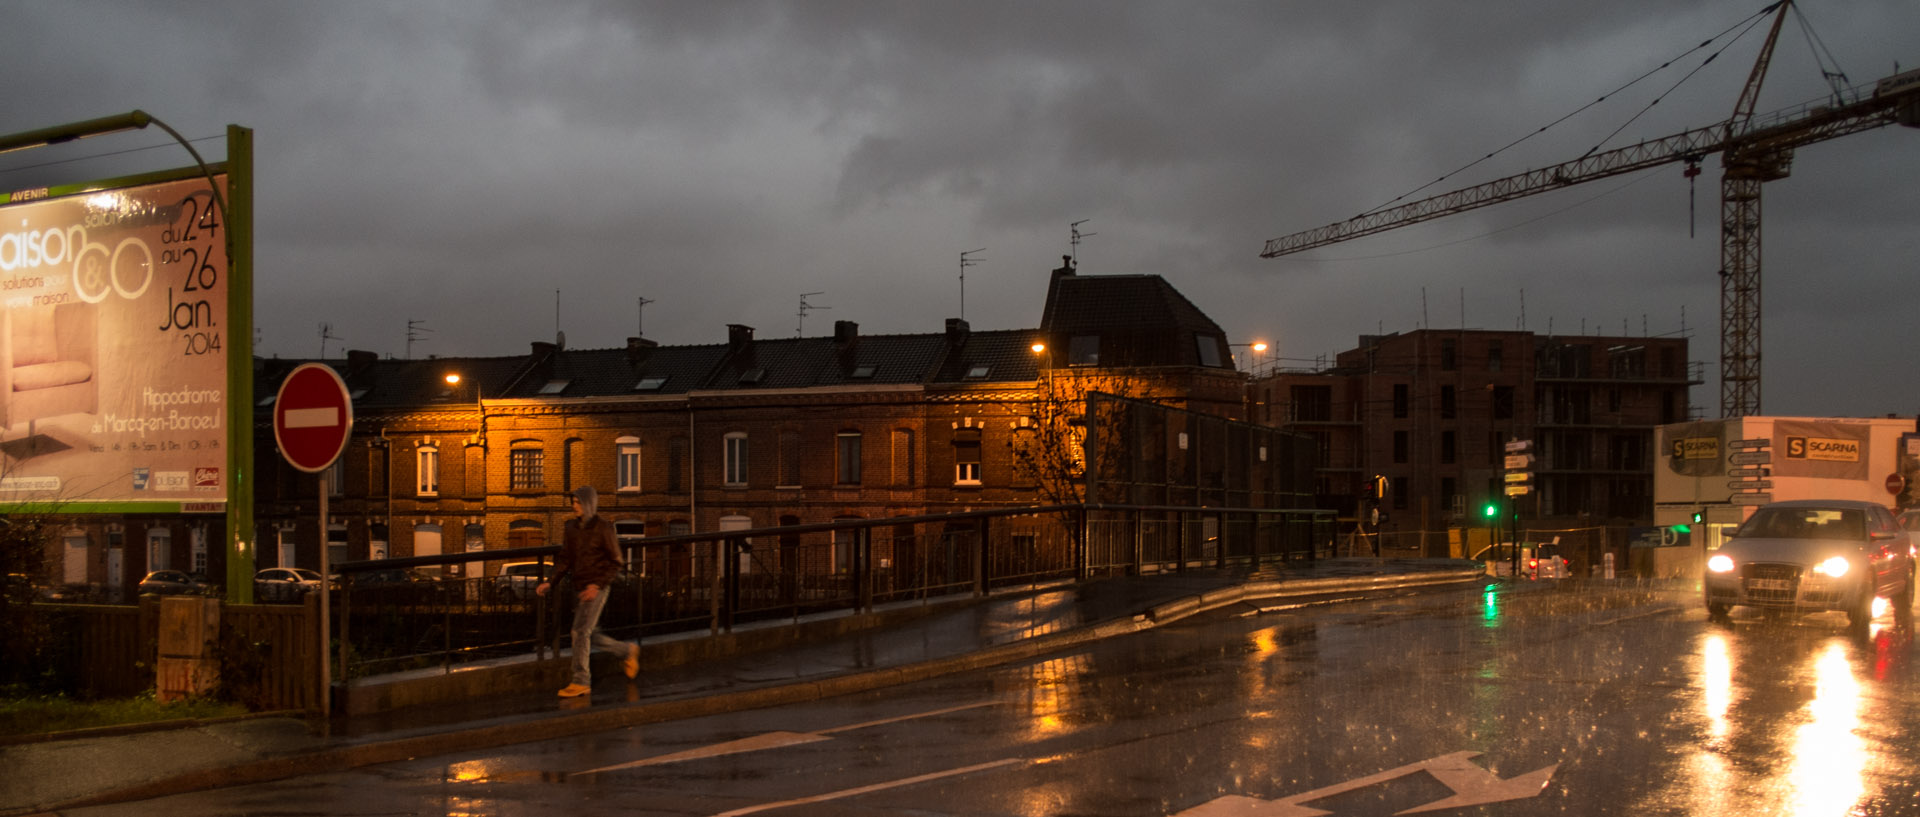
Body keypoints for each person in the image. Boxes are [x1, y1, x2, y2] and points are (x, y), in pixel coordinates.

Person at [537, 485, 639, 697]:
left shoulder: (604, 528)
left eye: (578, 502)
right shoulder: (571, 528)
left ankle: (581, 681)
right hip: (580, 587)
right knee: (591, 634)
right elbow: (565, 559)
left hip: (597, 588)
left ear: (589, 504)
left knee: (580, 631)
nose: (574, 506)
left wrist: (597, 586)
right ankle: (627, 651)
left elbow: (616, 562)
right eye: (573, 502)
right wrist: (550, 582)